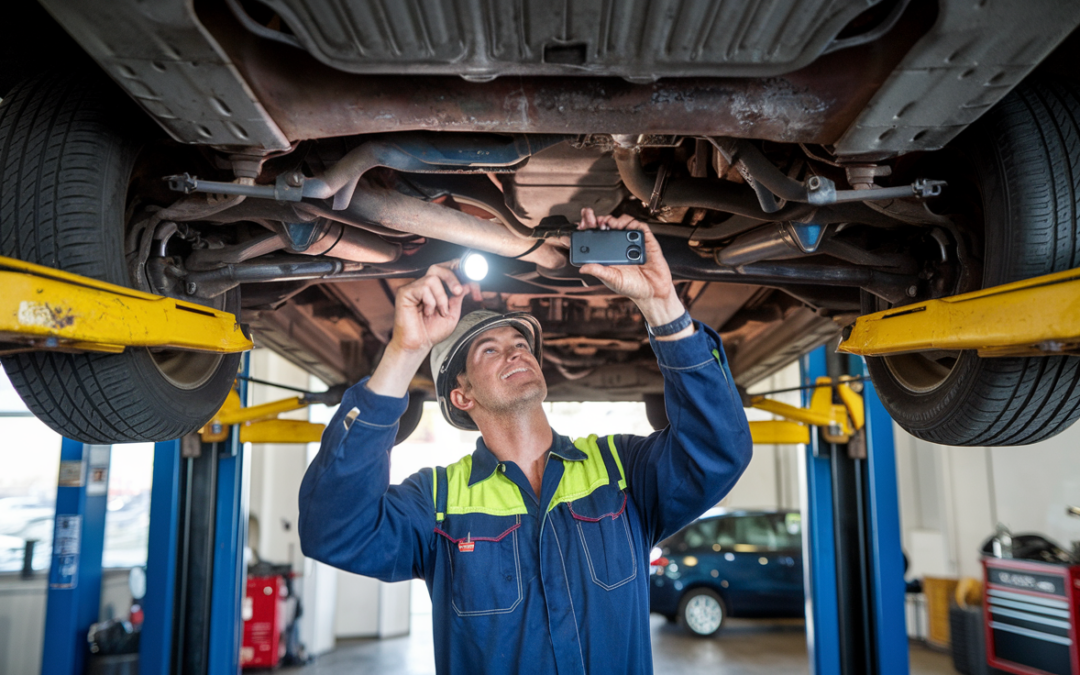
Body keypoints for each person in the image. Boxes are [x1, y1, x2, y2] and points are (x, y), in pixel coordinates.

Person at [298, 208, 753, 674]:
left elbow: (719, 451)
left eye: (520, 343)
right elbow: (333, 528)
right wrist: (404, 351)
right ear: (462, 396)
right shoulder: (437, 503)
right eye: (489, 350)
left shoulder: (621, 470)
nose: (515, 350)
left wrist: (662, 305)